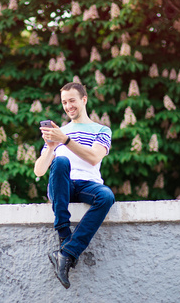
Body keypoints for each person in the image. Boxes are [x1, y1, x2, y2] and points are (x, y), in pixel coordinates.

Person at [34, 82, 115, 289]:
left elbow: (94, 158)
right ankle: (63, 234)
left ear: (84, 100)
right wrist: (52, 148)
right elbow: (39, 171)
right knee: (61, 162)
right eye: (64, 102)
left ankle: (66, 253)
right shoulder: (57, 134)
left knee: (106, 196)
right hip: (63, 188)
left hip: (89, 185)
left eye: (72, 101)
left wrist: (66, 140)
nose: (68, 106)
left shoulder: (101, 130)